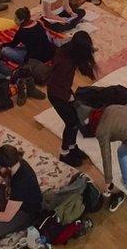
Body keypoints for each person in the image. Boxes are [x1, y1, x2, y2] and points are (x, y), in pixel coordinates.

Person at [46, 31, 96, 166]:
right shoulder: (65, 63)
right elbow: (57, 84)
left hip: (62, 92)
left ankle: (73, 148)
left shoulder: (67, 51)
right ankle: (64, 153)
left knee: (74, 122)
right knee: (72, 123)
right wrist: (68, 97)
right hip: (57, 95)